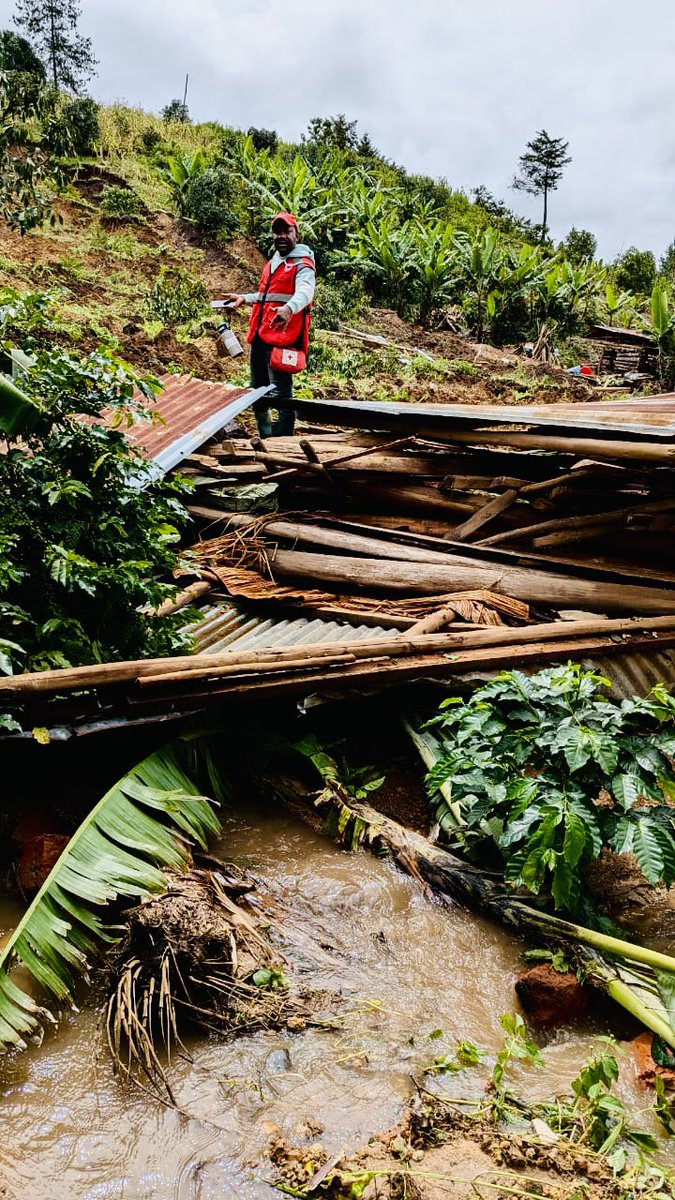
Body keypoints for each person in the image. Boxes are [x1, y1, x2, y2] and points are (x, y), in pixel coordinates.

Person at [224, 212, 316, 437]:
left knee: (281, 394)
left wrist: (289, 308)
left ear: (297, 234)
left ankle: (284, 442)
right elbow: (268, 295)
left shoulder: (303, 263)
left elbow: (306, 291)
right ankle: (266, 434)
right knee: (258, 390)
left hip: (283, 338)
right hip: (261, 335)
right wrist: (244, 298)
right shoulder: (274, 262)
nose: (281, 236)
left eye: (287, 231)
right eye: (277, 232)